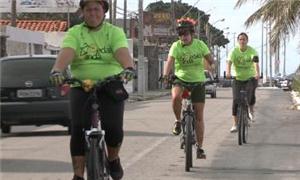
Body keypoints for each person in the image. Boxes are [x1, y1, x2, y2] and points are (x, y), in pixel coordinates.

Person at [49, 0, 135, 179]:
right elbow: (67, 51)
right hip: (81, 84)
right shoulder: (75, 32)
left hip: (110, 84)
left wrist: (128, 68)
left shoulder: (114, 32)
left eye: (97, 9)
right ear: (82, 12)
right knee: (78, 128)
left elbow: (121, 52)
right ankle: (78, 175)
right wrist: (57, 69)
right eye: (88, 9)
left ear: (104, 11)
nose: (93, 13)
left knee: (113, 127)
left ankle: (113, 159)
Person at [163, 17, 214, 159]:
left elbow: (210, 60)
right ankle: (178, 121)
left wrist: (212, 67)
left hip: (198, 82)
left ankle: (200, 147)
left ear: (191, 33)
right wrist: (165, 75)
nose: (183, 37)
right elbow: (169, 62)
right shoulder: (176, 46)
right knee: (175, 97)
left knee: (199, 117)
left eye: (185, 34)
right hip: (181, 80)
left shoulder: (200, 45)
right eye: (180, 34)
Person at [226, 32, 260, 133]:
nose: (242, 41)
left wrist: (257, 73)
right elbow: (229, 62)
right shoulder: (234, 51)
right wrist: (228, 72)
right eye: (240, 39)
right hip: (237, 78)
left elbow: (255, 63)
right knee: (236, 100)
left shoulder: (252, 51)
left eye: (244, 39)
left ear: (247, 41)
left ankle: (251, 110)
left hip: (250, 77)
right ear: (238, 41)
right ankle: (235, 124)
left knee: (250, 96)